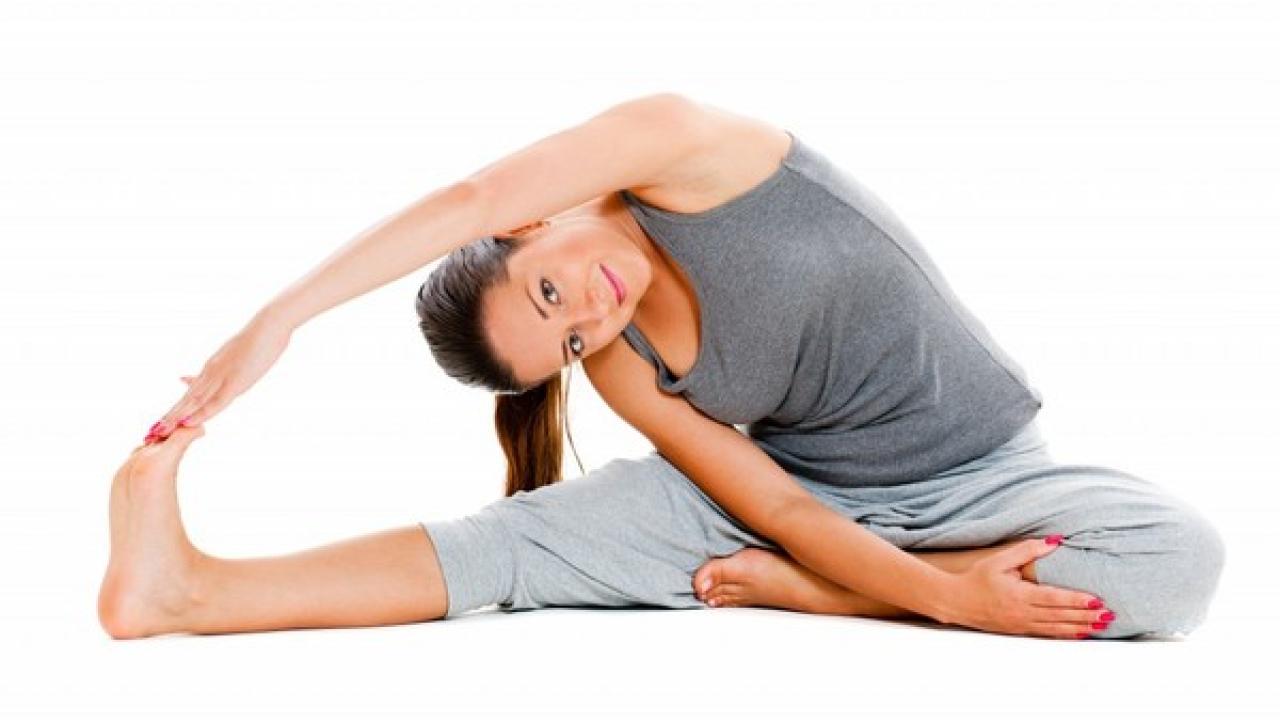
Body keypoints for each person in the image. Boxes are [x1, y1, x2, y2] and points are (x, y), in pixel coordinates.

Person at [99, 93, 1225, 641]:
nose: (591, 313)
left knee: (1177, 559)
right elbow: (775, 497)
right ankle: (185, 591)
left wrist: (282, 317)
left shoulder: (685, 145)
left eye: (550, 290)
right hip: (807, 508)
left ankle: (829, 596)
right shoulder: (622, 361)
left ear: (532, 227)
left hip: (981, 477)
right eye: (569, 340)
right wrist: (941, 596)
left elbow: (470, 195)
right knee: (524, 544)